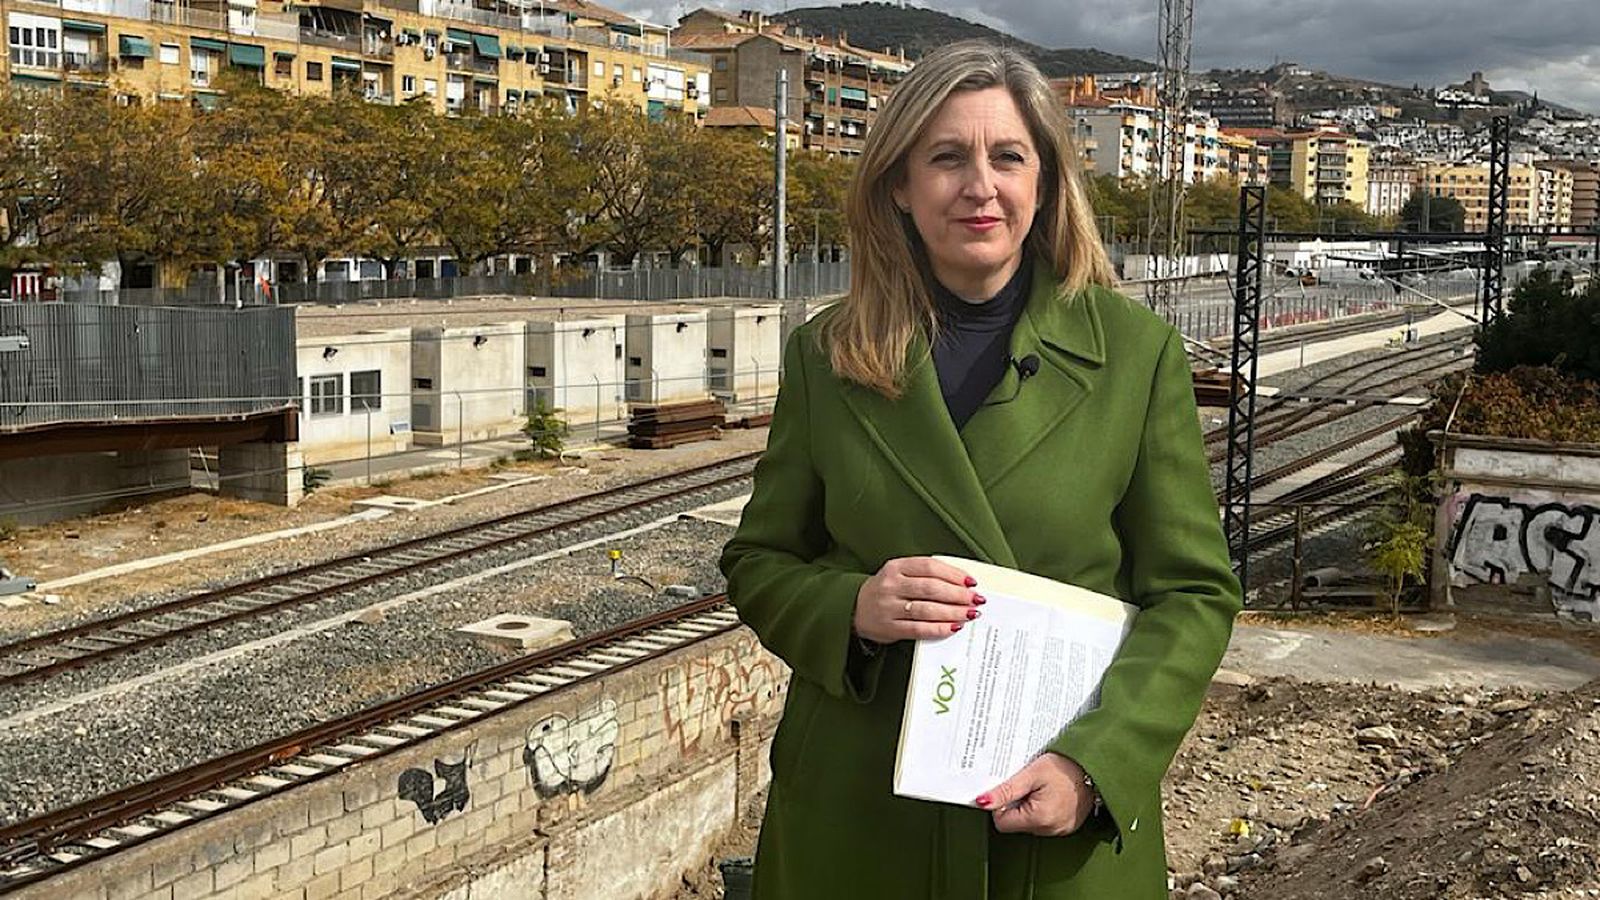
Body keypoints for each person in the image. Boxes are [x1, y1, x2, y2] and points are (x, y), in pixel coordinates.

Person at [719, 40, 1241, 900]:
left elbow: (1193, 594)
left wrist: (1096, 764)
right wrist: (851, 606)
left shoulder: (1136, 355)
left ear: (1043, 182)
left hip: (1053, 819)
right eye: (946, 158)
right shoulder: (826, 354)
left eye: (1008, 157)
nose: (979, 186)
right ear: (899, 184)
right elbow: (759, 561)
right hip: (860, 816)